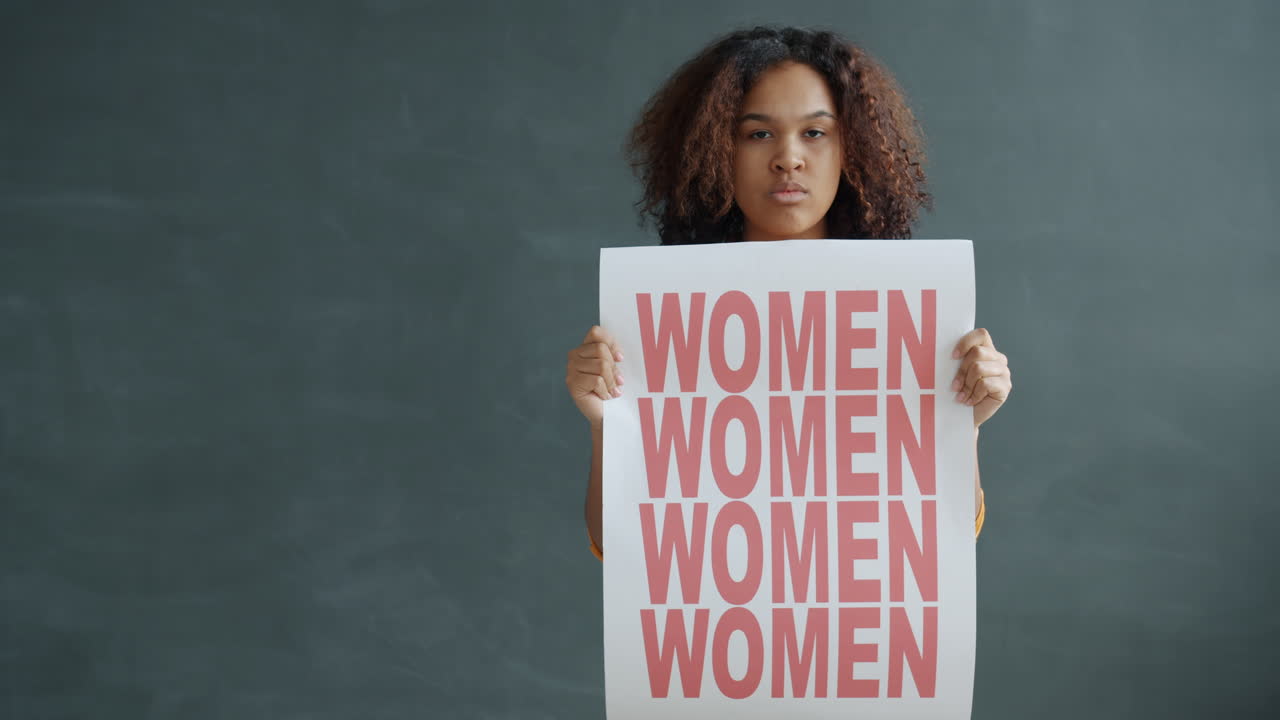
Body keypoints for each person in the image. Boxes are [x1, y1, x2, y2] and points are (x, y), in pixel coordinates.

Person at [564, 26, 1013, 561]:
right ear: (714, 149)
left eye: (816, 133)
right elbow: (622, 553)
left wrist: (962, 422)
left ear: (854, 148)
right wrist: (605, 425)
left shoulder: (906, 315)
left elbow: (942, 545)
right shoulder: (662, 321)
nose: (788, 158)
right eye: (757, 134)